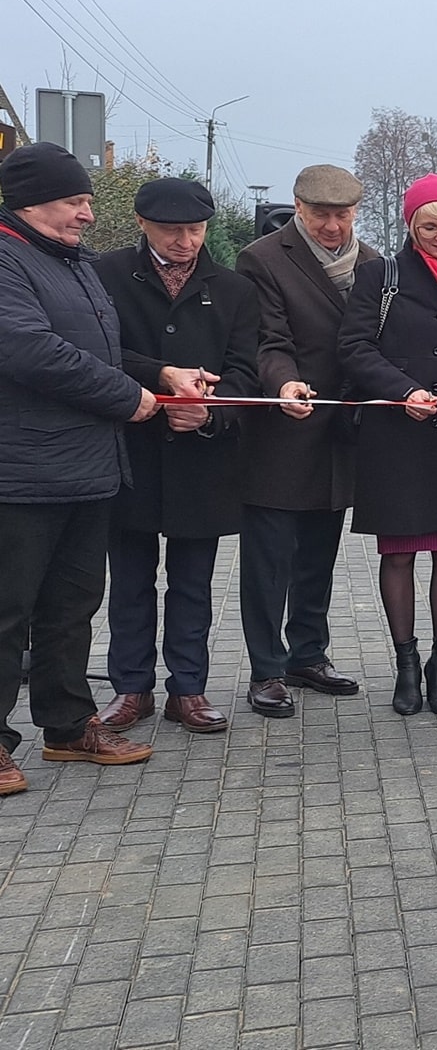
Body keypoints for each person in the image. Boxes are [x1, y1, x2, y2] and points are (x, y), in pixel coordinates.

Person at [0, 141, 161, 788]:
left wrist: (160, 376)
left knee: (70, 609)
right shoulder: (7, 260)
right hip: (20, 474)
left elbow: (104, 350)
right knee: (8, 613)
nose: (88, 215)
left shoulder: (73, 264)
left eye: (88, 201)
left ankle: (68, 727)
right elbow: (30, 351)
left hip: (88, 469)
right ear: (32, 202)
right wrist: (129, 397)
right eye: (76, 201)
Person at [96, 178, 260, 735]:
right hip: (129, 454)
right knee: (130, 581)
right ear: (142, 225)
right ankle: (130, 688)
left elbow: (246, 375)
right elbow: (96, 352)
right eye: (172, 231)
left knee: (193, 582)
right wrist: (158, 376)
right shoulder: (106, 275)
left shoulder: (234, 289)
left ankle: (187, 688)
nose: (186, 241)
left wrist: (210, 414)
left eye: (196, 230)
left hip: (202, 462)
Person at [337, 176, 437, 715]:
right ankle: (406, 665)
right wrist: (401, 390)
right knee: (399, 555)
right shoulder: (377, 276)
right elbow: (355, 348)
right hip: (395, 437)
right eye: (428, 225)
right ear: (410, 226)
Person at [236, 164, 379, 717]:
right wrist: (283, 382)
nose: (332, 226)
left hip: (340, 434)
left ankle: (307, 655)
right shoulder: (264, 259)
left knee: (319, 554)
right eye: (321, 215)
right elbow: (266, 339)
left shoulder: (372, 263)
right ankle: (266, 670)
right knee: (269, 559)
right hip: (282, 430)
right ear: (298, 208)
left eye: (342, 215)